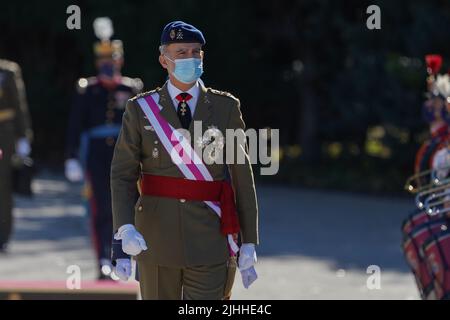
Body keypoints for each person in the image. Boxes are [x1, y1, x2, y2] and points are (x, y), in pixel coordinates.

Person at [111, 21, 259, 299]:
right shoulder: (140, 109)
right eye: (181, 53)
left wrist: (249, 239)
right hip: (155, 238)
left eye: (196, 52)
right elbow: (122, 174)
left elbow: (242, 176)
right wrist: (125, 227)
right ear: (163, 60)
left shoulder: (226, 107)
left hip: (210, 237)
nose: (190, 58)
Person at [64, 17, 142, 279]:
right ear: (98, 63)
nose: (108, 66)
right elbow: (75, 125)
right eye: (104, 61)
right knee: (100, 208)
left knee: (126, 207)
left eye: (113, 60)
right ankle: (102, 261)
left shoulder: (130, 88)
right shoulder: (88, 90)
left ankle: (123, 257)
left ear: (120, 61)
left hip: (124, 155)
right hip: (97, 156)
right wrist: (71, 156)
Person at [0, 59, 32, 253]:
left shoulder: (7, 72)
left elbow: (19, 106)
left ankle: (3, 235)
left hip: (3, 135)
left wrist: (23, 136)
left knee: (3, 186)